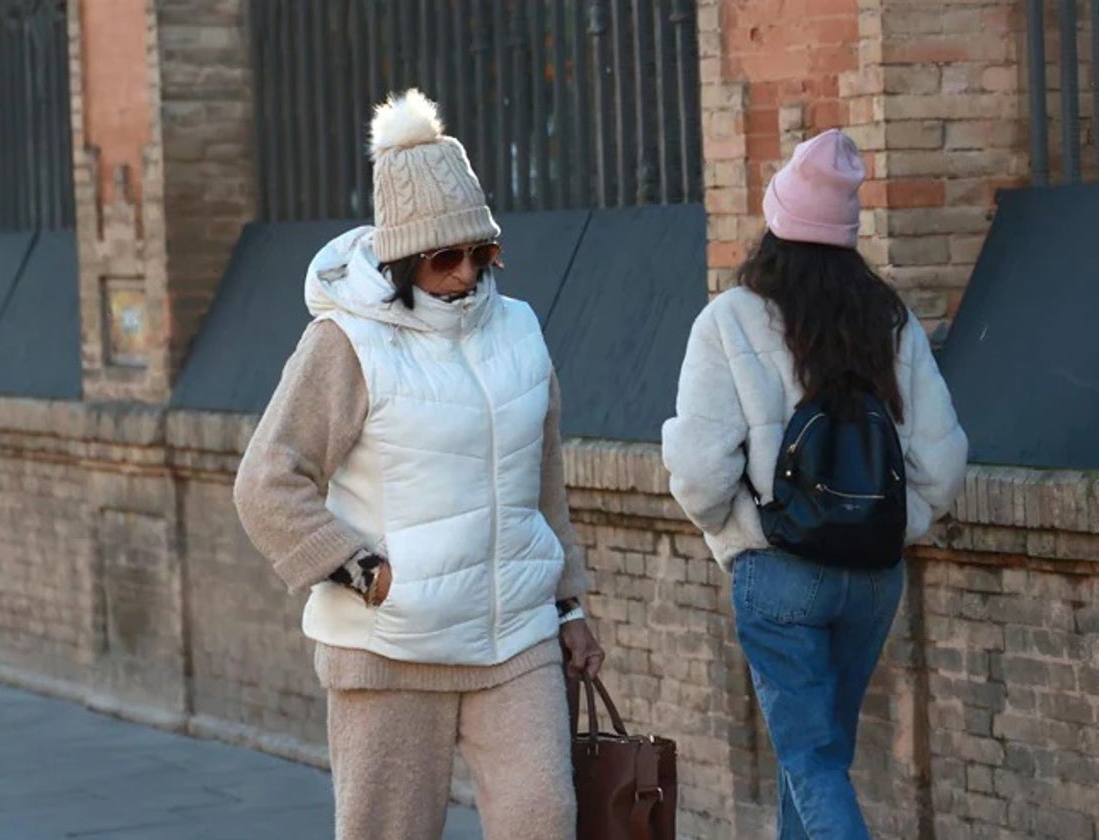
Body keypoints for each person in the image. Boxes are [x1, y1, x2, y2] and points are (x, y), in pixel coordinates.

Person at [233, 88, 603, 840]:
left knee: (545, 819)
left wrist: (570, 605)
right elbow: (267, 484)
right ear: (401, 259)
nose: (467, 273)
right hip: (392, 649)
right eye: (444, 258)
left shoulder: (520, 329)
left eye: (482, 251)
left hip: (515, 641)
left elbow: (543, 484)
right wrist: (366, 573)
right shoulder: (346, 344)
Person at [662, 129, 968, 839]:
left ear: (774, 225)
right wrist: (899, 528)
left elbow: (702, 472)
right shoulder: (888, 320)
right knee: (819, 758)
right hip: (872, 578)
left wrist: (744, 532)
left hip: (780, 572)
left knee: (811, 759)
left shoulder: (729, 319)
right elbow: (941, 463)